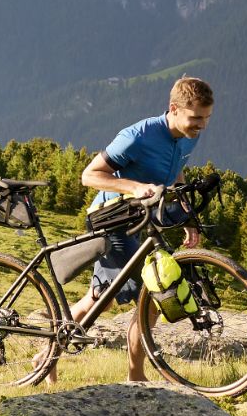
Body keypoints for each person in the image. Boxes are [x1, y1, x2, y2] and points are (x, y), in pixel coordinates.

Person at [69, 77, 214, 378]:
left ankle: (46, 354)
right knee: (152, 293)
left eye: (207, 118)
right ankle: (136, 377)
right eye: (196, 118)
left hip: (142, 221)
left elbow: (176, 171)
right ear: (174, 109)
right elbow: (90, 175)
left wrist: (186, 217)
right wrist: (134, 187)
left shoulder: (189, 134)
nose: (202, 125)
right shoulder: (138, 135)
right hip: (111, 219)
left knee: (101, 300)